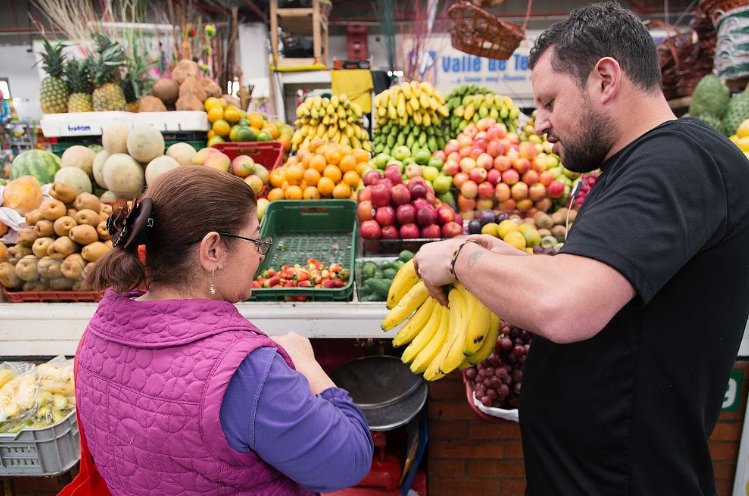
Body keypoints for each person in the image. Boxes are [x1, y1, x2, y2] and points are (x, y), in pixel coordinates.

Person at [414, 3, 749, 495]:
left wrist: (460, 259)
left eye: (549, 101)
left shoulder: (675, 164)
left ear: (605, 79)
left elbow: (566, 306)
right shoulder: (649, 164)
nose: (539, 124)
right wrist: (517, 264)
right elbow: (615, 286)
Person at [77, 166, 373, 495]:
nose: (261, 254)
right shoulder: (247, 371)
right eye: (256, 240)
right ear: (212, 251)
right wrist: (308, 366)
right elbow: (349, 462)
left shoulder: (98, 332)